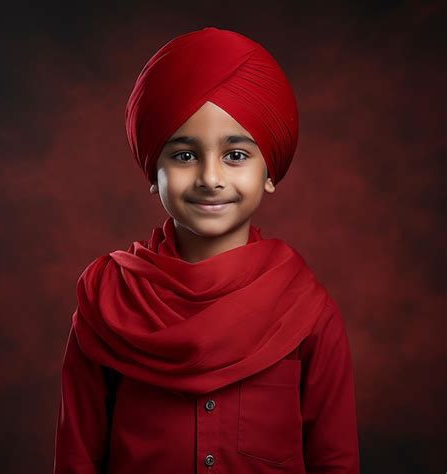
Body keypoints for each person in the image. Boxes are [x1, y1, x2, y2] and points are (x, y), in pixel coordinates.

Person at [53, 26, 360, 473]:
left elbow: (335, 460)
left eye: (235, 155)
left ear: (269, 171)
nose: (210, 178)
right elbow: (76, 459)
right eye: (183, 155)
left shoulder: (307, 311)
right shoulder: (108, 304)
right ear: (151, 169)